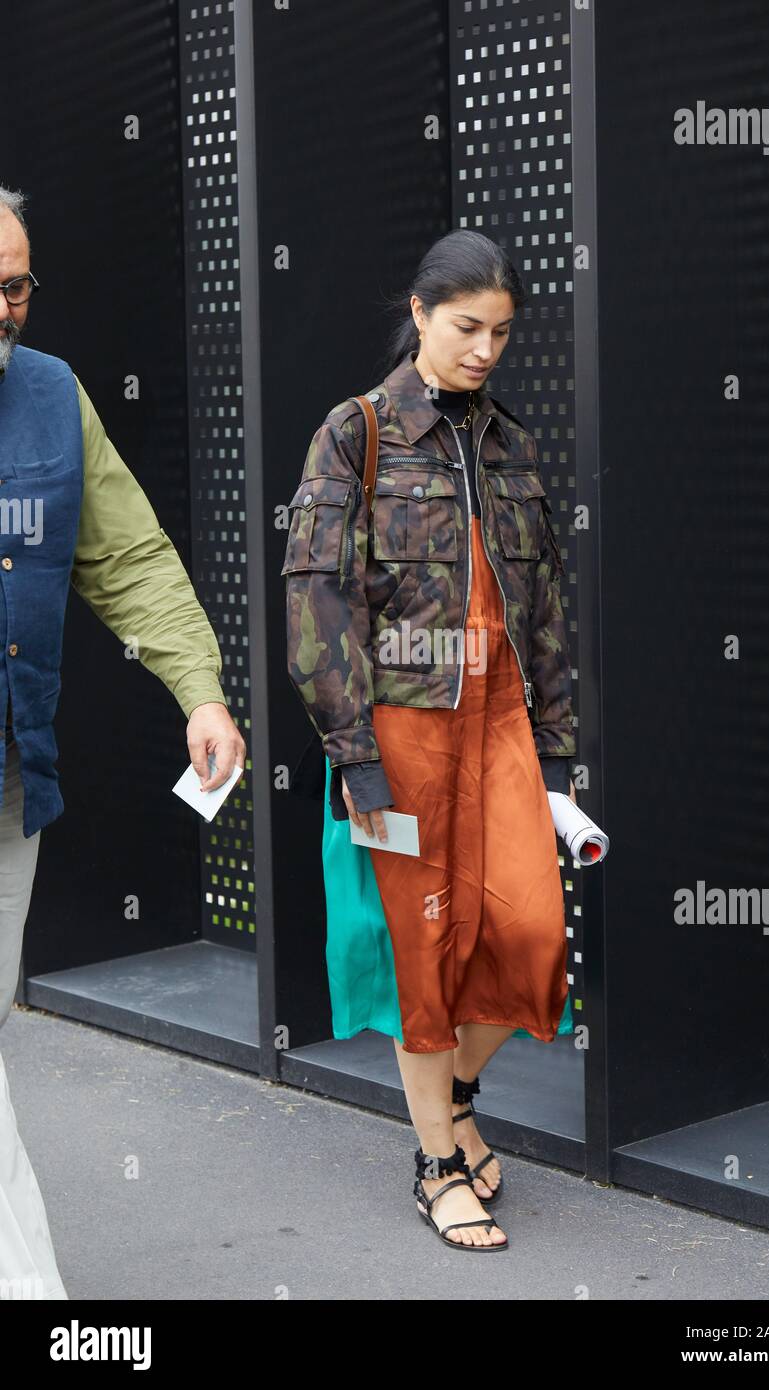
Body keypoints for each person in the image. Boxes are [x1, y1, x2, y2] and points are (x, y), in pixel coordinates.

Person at [282, 229, 578, 1252]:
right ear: (418, 314)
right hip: (402, 732)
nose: (484, 348)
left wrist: (559, 750)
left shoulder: (509, 444)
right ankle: (436, 1162)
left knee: (532, 942)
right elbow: (314, 606)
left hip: (500, 729)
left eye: (500, 332)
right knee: (426, 955)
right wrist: (352, 753)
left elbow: (542, 608)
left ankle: (450, 1096)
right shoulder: (355, 433)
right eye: (465, 327)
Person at [0, 187, 246, 1297]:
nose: (4, 310)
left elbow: (128, 555)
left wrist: (198, 691)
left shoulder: (52, 396)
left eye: (15, 286)